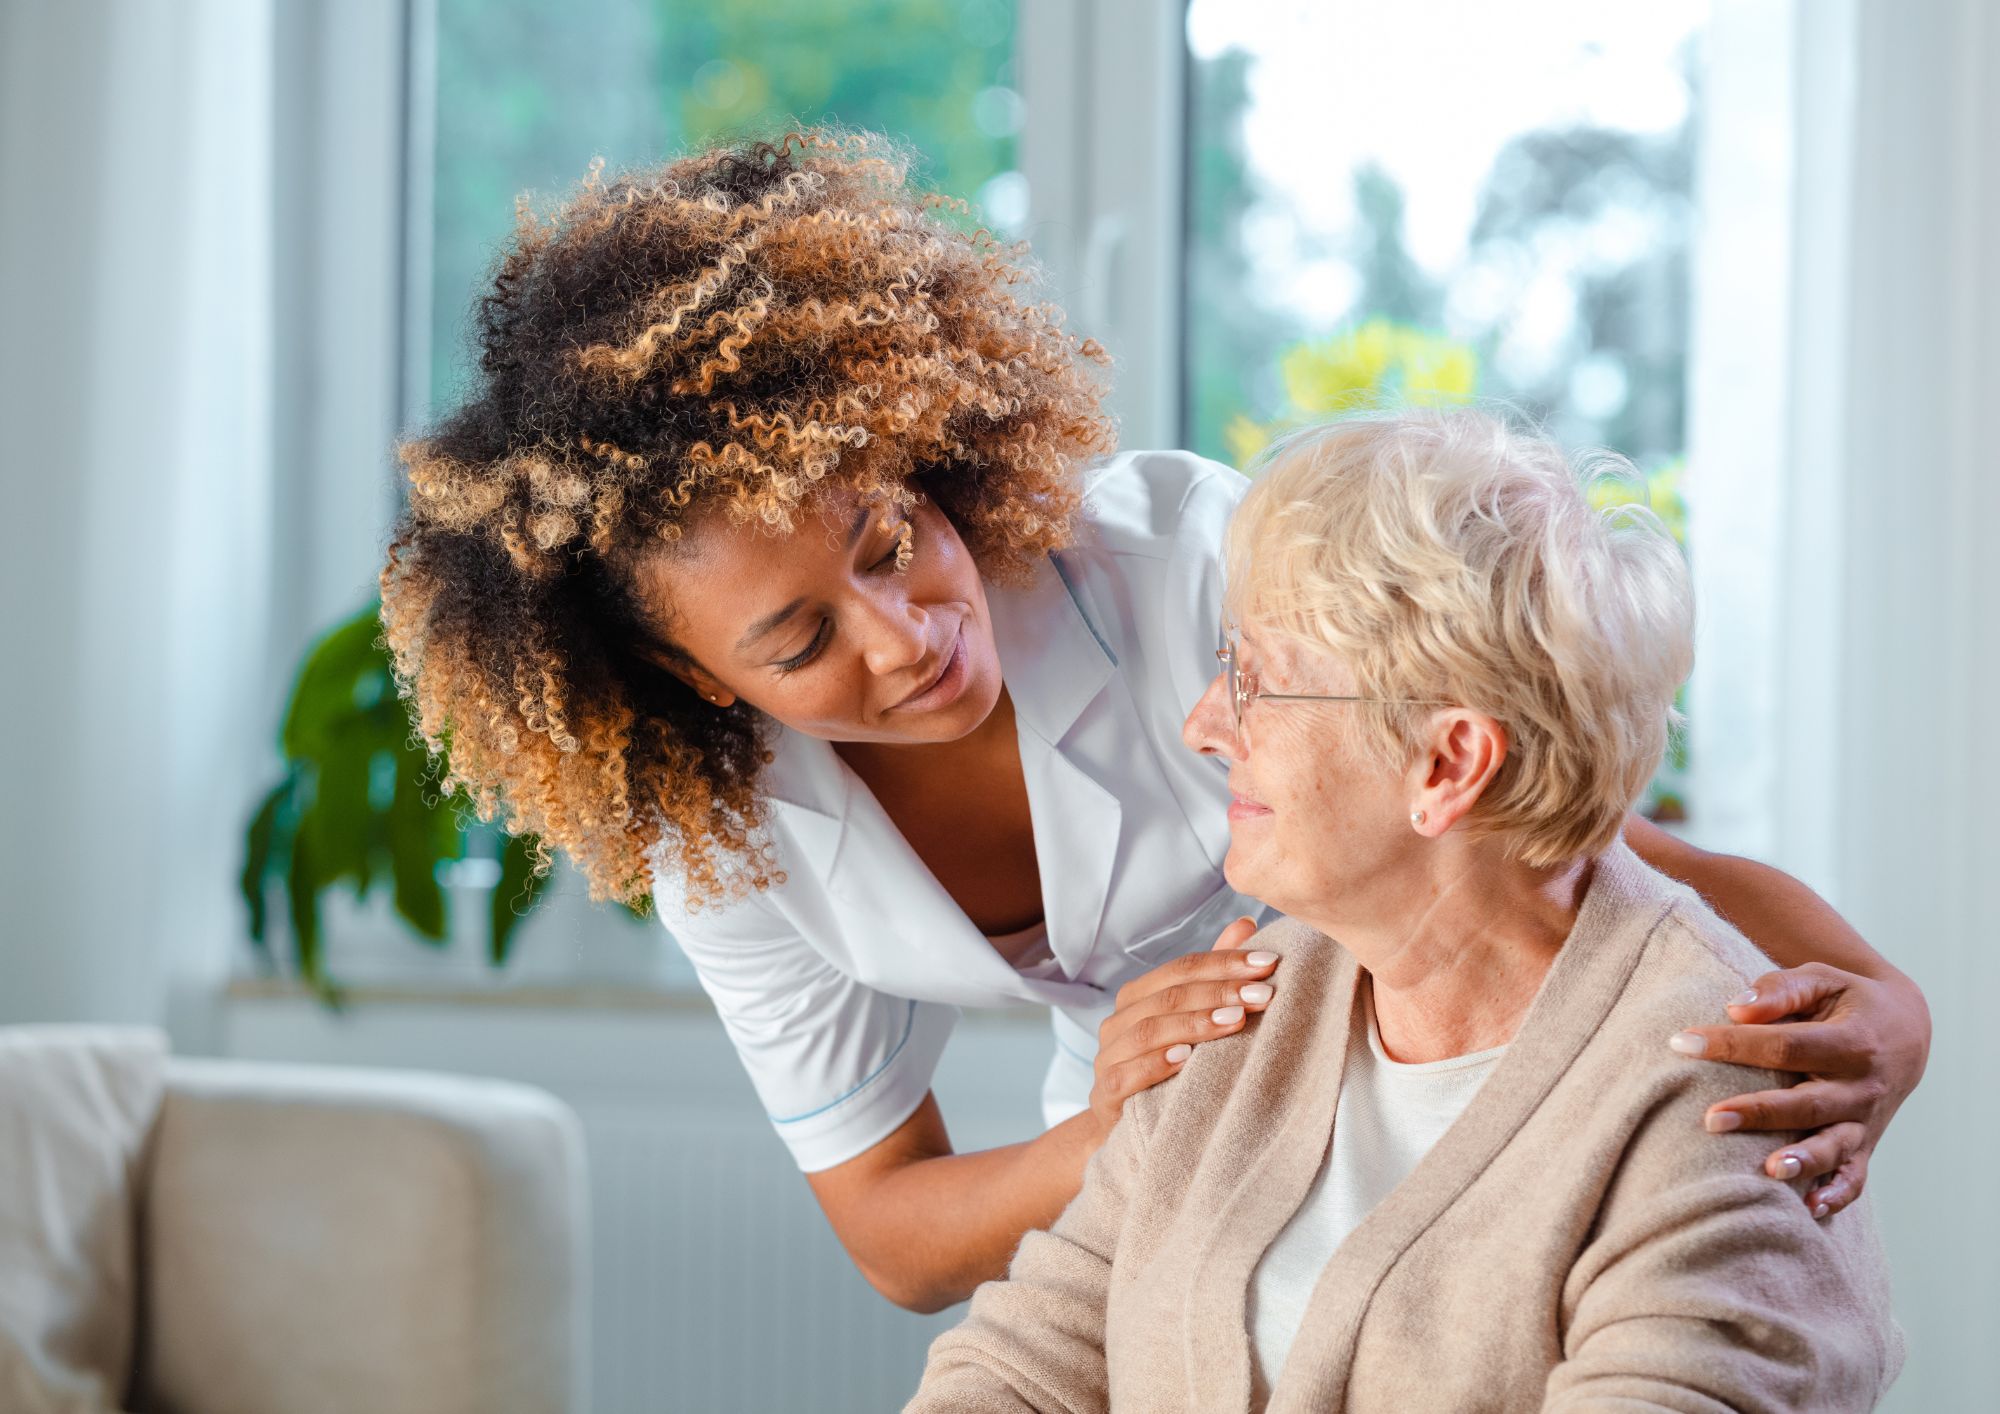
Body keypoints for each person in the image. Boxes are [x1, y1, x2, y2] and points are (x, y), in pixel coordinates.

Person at [380, 129, 1929, 1312]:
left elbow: (1566, 830)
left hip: (1454, 1068)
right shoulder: (728, 835)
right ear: (703, 686)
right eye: (800, 641)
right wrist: (1121, 1119)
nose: (910, 636)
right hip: (1153, 1151)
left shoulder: (1185, 563)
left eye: (890, 538)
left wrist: (1886, 1002)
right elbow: (898, 1232)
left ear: (918, 450)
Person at [910, 410, 1902, 1411]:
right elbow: (1024, 1360)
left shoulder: (1720, 1105)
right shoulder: (1246, 1003)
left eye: (1255, 679)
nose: (1203, 722)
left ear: (1446, 764)